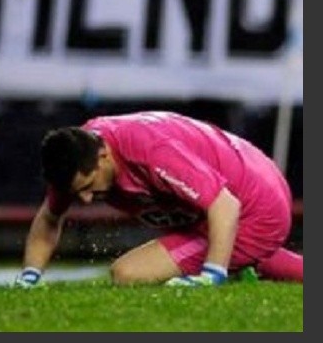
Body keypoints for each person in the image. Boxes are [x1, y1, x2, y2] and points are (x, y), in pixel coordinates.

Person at [15, 110, 303, 287]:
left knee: (128, 274)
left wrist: (211, 275)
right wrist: (29, 277)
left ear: (104, 156)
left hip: (256, 207)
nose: (87, 199)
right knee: (226, 244)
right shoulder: (77, 156)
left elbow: (225, 205)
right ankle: (247, 263)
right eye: (78, 193)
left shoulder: (149, 150)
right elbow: (50, 219)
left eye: (89, 186)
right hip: (241, 188)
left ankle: (232, 265)